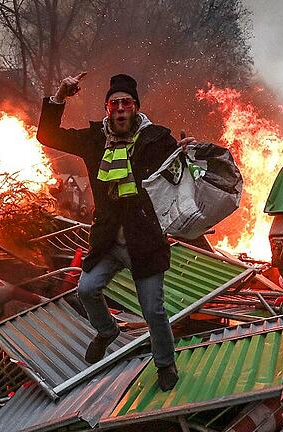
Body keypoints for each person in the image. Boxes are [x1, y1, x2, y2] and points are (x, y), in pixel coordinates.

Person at [36, 73, 196, 391]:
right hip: (108, 241)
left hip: (145, 241)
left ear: (135, 108)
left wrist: (184, 153)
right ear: (108, 109)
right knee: (86, 289)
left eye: (126, 103)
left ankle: (165, 365)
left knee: (153, 310)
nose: (120, 109)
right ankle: (107, 330)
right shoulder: (94, 140)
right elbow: (47, 136)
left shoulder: (156, 139)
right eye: (114, 103)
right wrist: (59, 96)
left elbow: (178, 174)